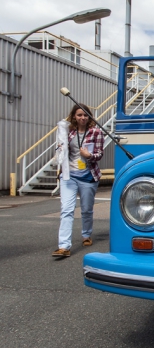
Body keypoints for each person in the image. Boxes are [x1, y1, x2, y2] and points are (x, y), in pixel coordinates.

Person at [52, 104, 104, 258]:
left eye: (86, 115)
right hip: (69, 176)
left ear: (90, 117)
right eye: (80, 115)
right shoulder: (68, 132)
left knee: (86, 210)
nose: (83, 118)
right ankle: (63, 246)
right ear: (74, 116)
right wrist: (59, 150)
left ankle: (86, 235)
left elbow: (100, 154)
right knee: (67, 210)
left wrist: (89, 156)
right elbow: (60, 150)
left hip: (88, 176)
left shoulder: (96, 132)